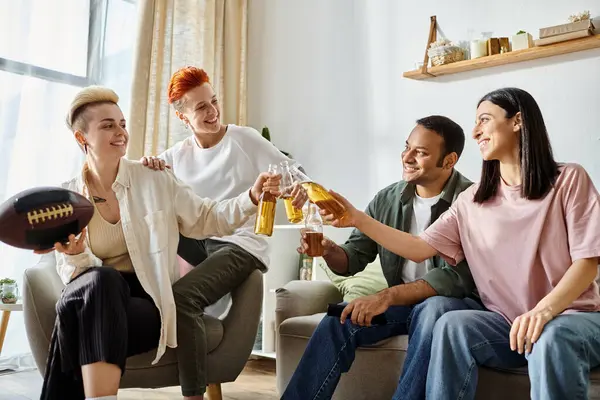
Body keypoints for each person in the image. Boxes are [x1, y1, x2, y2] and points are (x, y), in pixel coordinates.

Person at [321, 88, 600, 400]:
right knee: (452, 324)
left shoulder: (568, 180)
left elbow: (588, 262)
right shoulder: (472, 200)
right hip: (506, 325)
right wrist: (357, 218)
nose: (476, 130)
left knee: (551, 338)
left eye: (484, 119)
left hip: (571, 318)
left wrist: (543, 311)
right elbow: (418, 247)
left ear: (518, 121)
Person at [37, 86, 281, 400]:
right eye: (108, 125)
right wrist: (76, 253)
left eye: (122, 123)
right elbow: (72, 275)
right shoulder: (68, 198)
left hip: (143, 305)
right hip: (93, 295)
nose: (120, 132)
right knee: (102, 281)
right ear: (82, 137)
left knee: (83, 312)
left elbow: (208, 218)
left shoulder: (154, 178)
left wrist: (251, 197)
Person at [282, 116, 478, 400]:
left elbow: (458, 277)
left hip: (454, 306)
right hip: (402, 305)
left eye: (420, 152)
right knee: (338, 320)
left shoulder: (472, 200)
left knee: (432, 309)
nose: (407, 157)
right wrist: (328, 250)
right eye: (407, 147)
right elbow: (353, 259)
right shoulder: (388, 199)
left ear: (449, 161)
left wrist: (386, 297)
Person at [141, 66, 306, 396]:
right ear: (181, 116)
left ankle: (193, 394)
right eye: (201, 107)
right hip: (198, 242)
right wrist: (149, 167)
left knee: (183, 298)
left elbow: (296, 174)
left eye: (213, 101)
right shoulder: (176, 156)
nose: (212, 111)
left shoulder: (243, 139)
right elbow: (142, 188)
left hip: (240, 245)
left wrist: (298, 188)